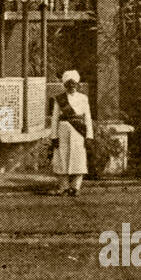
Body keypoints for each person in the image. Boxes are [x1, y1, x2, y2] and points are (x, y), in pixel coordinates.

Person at [49, 69, 93, 197]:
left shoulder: (83, 98)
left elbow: (88, 118)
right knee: (62, 158)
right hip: (63, 132)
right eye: (69, 85)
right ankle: (64, 187)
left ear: (77, 85)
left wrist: (89, 135)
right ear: (65, 85)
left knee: (78, 158)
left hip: (78, 132)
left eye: (74, 84)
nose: (71, 87)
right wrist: (54, 136)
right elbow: (54, 118)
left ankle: (75, 187)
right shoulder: (60, 99)